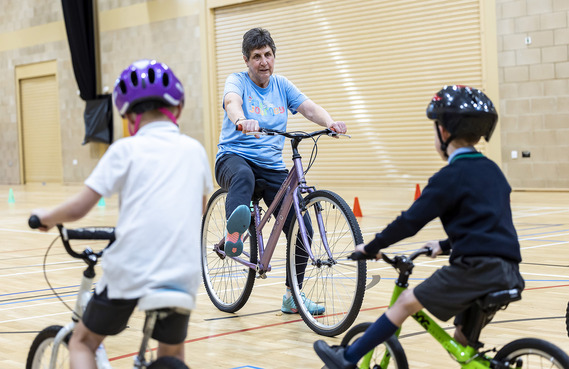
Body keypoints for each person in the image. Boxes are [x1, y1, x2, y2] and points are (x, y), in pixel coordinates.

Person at [313, 85, 525, 369]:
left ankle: (347, 358)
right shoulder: (493, 171)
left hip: (476, 271)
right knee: (463, 343)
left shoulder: (449, 177)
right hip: (508, 272)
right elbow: (490, 225)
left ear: (445, 132)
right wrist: (444, 245)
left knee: (403, 305)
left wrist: (372, 247)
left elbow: (409, 222)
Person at [31, 59, 213, 369]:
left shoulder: (125, 150)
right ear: (178, 108)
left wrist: (46, 217)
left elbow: (80, 207)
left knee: (83, 342)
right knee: (172, 355)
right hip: (183, 272)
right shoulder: (195, 150)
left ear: (128, 115)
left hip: (133, 270)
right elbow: (201, 208)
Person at [215, 27, 347, 315]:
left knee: (303, 228)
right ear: (246, 60)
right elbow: (231, 103)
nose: (264, 62)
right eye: (257, 57)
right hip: (234, 158)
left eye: (268, 55)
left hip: (272, 167)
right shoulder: (236, 81)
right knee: (244, 177)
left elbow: (308, 107)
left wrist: (331, 122)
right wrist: (241, 120)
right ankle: (233, 235)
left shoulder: (282, 86)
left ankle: (292, 295)